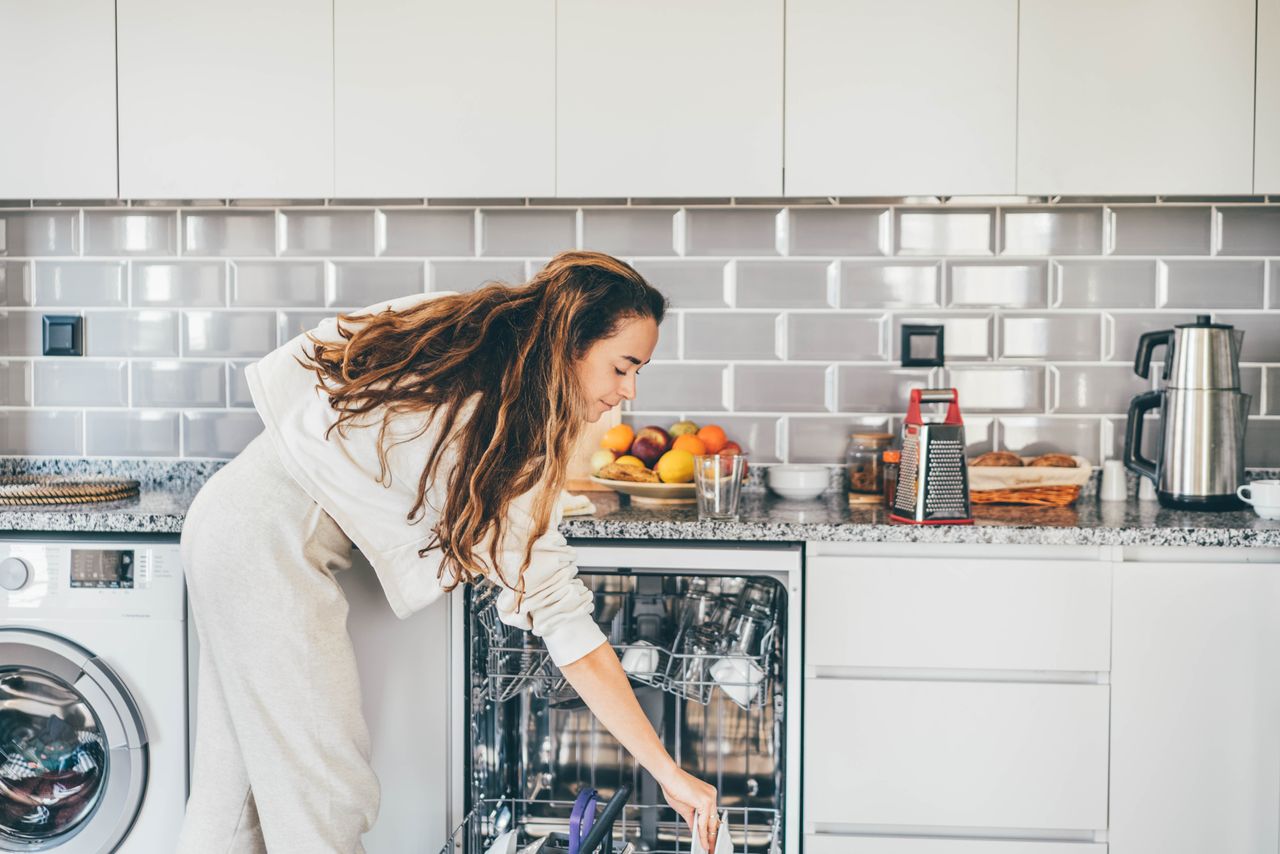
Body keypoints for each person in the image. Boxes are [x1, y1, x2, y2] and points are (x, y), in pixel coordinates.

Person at [177, 251, 720, 853]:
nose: (628, 391)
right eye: (623, 367)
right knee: (328, 797)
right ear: (573, 341)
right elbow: (566, 625)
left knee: (233, 802)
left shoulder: (472, 337)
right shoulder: (505, 421)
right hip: (266, 549)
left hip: (231, 521)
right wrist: (667, 771)